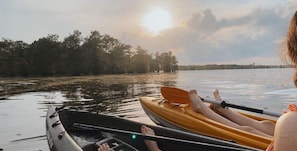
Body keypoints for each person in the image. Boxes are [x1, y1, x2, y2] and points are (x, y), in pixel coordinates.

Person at [98, 10, 297, 151]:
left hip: (291, 128)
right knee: (270, 126)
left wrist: (289, 124)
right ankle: (223, 110)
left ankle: (203, 109)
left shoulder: (291, 126)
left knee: (252, 129)